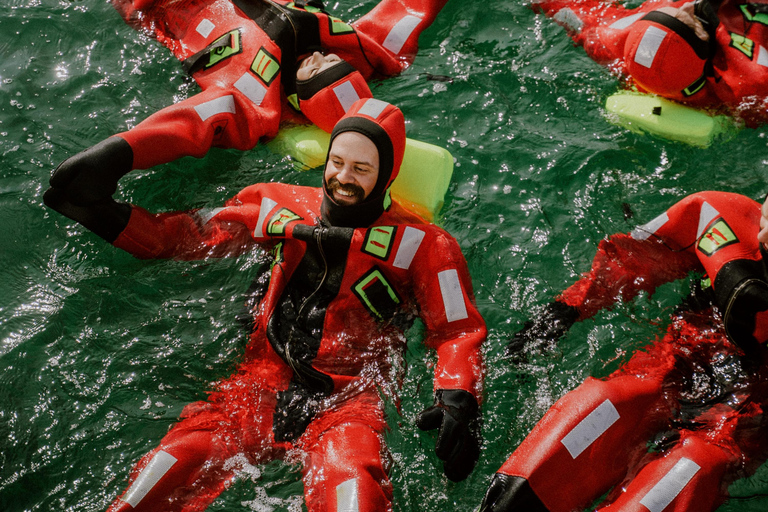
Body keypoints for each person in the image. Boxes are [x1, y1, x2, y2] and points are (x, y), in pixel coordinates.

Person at [44, 98, 486, 512]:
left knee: (353, 488)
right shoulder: (276, 204)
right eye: (336, 162)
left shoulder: (425, 247)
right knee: (169, 467)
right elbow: (189, 238)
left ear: (386, 174)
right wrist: (102, 213)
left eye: (361, 168)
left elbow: (457, 331)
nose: (343, 177)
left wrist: (457, 399)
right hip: (258, 384)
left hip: (350, 401)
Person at [479, 190, 768, 512]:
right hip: (675, 362)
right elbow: (634, 260)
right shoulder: (715, 213)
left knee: (691, 467)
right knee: (604, 406)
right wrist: (564, 311)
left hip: (749, 412)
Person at [48, 0, 449, 210]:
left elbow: (191, 123)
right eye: (333, 63)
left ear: (299, 99)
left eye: (316, 75)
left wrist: (113, 156)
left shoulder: (251, 99)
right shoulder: (370, 53)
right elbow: (409, 10)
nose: (319, 60)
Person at [531, 0, 768, 126]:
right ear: (703, 55)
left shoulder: (612, 42)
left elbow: (562, 7)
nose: (688, 5)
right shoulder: (752, 83)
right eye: (695, 22)